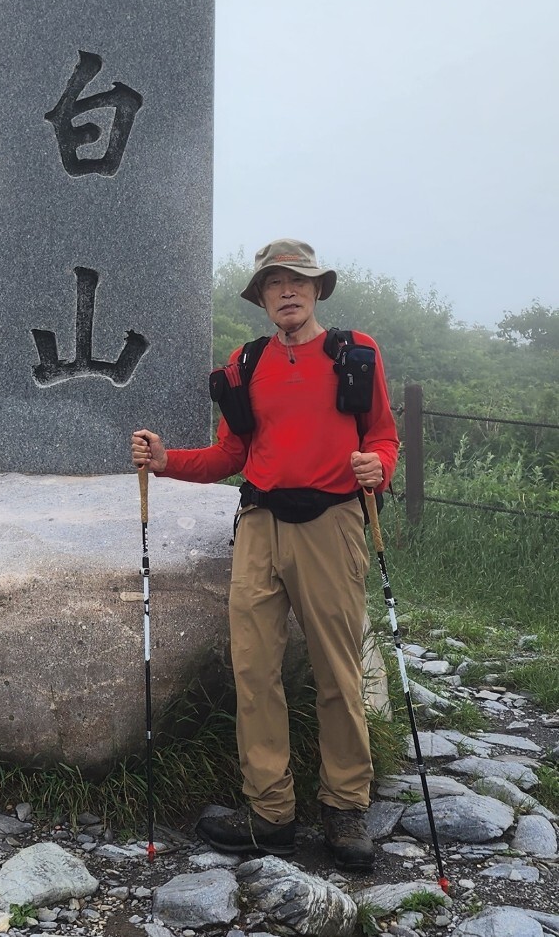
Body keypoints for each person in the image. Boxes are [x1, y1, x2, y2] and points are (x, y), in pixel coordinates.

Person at [131, 238, 399, 872]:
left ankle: (345, 807)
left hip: (332, 522)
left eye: (297, 281)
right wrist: (167, 461)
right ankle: (269, 811)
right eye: (274, 283)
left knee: (337, 671)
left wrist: (378, 467)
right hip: (258, 522)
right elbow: (231, 454)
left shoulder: (355, 353)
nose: (286, 291)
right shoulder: (246, 362)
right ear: (261, 297)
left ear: (317, 289)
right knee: (254, 670)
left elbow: (383, 436)